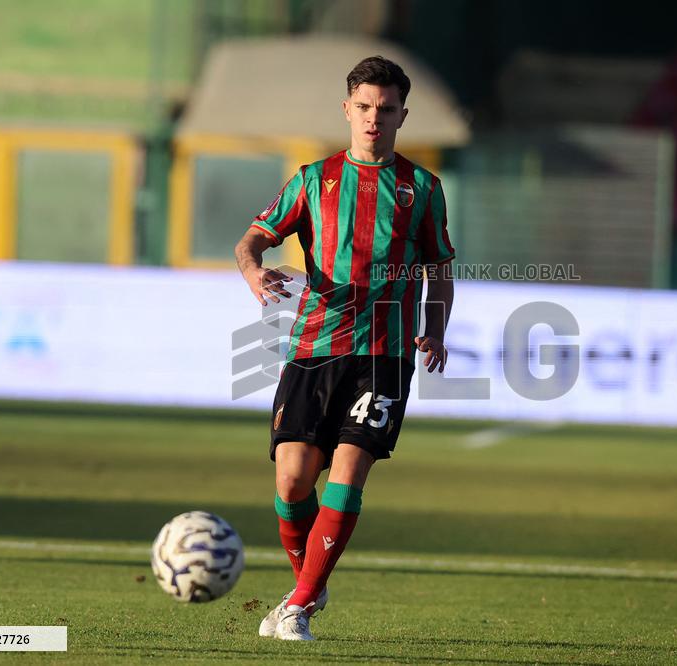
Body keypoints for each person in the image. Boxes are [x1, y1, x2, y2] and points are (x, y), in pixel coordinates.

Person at [233, 55, 455, 641]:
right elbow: (252, 239)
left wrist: (435, 327)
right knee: (292, 482)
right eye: (364, 107)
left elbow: (440, 270)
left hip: (385, 354)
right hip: (313, 346)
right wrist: (255, 271)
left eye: (386, 110)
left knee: (350, 472)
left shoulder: (423, 189)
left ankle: (298, 606)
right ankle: (312, 578)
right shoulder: (313, 179)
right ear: (347, 109)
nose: (373, 119)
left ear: (403, 115)